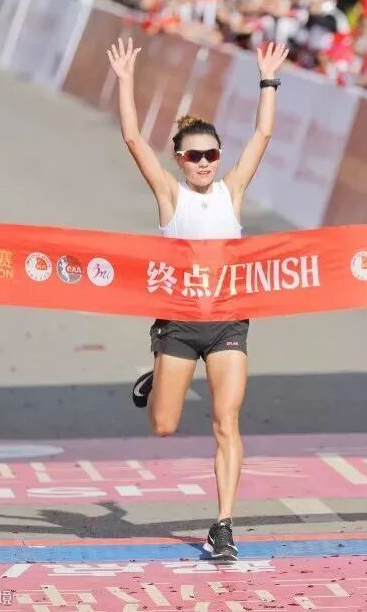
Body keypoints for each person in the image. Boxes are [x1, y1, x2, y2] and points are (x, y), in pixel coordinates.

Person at [106, 36, 289, 560]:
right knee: (164, 425)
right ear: (180, 160)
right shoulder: (171, 195)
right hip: (180, 323)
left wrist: (268, 80)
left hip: (228, 321)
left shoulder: (233, 190)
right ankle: (158, 374)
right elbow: (132, 138)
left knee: (226, 421)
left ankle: (223, 524)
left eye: (211, 155)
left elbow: (263, 133)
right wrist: (126, 80)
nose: (205, 163)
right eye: (195, 156)